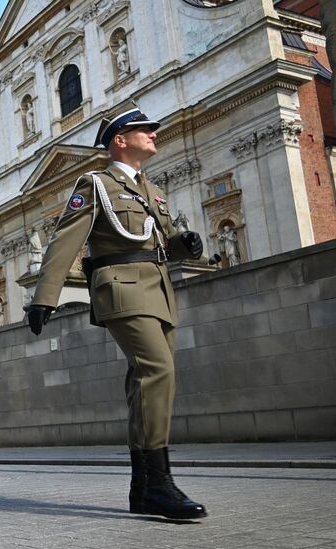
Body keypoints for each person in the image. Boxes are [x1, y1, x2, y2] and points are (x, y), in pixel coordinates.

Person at [26, 106, 207, 521]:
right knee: (158, 371)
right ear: (120, 140)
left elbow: (155, 241)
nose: (154, 133)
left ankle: (142, 489)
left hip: (159, 290)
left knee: (144, 383)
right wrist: (44, 296)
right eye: (145, 129)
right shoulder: (95, 184)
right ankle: (160, 484)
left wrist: (184, 245)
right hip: (122, 289)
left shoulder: (151, 188)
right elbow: (66, 240)